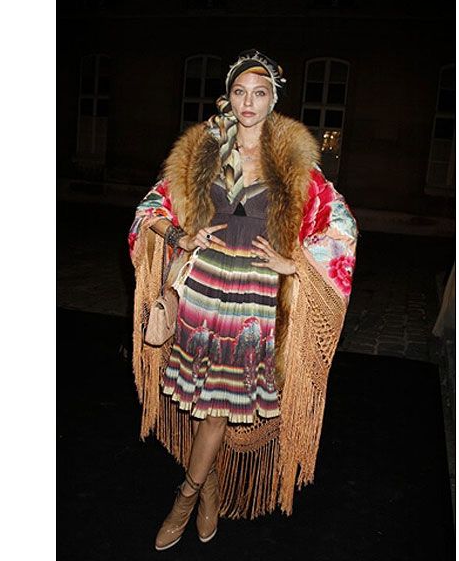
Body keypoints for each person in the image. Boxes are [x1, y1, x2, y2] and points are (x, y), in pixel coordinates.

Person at [129, 49, 358, 551]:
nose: (248, 102)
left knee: (214, 408)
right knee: (197, 401)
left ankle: (186, 497)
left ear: (274, 100)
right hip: (202, 286)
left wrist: (295, 264)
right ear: (229, 97)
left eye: (259, 93)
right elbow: (149, 207)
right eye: (240, 92)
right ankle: (210, 489)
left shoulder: (293, 162)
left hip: (253, 298)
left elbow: (341, 225)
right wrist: (180, 236)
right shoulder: (204, 150)